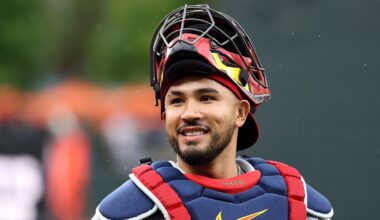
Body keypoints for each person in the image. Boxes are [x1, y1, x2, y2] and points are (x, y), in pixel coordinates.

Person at [92, 4, 333, 220]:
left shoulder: (298, 204)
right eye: (176, 100)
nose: (189, 112)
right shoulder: (132, 212)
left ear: (241, 112)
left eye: (206, 97)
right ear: (164, 115)